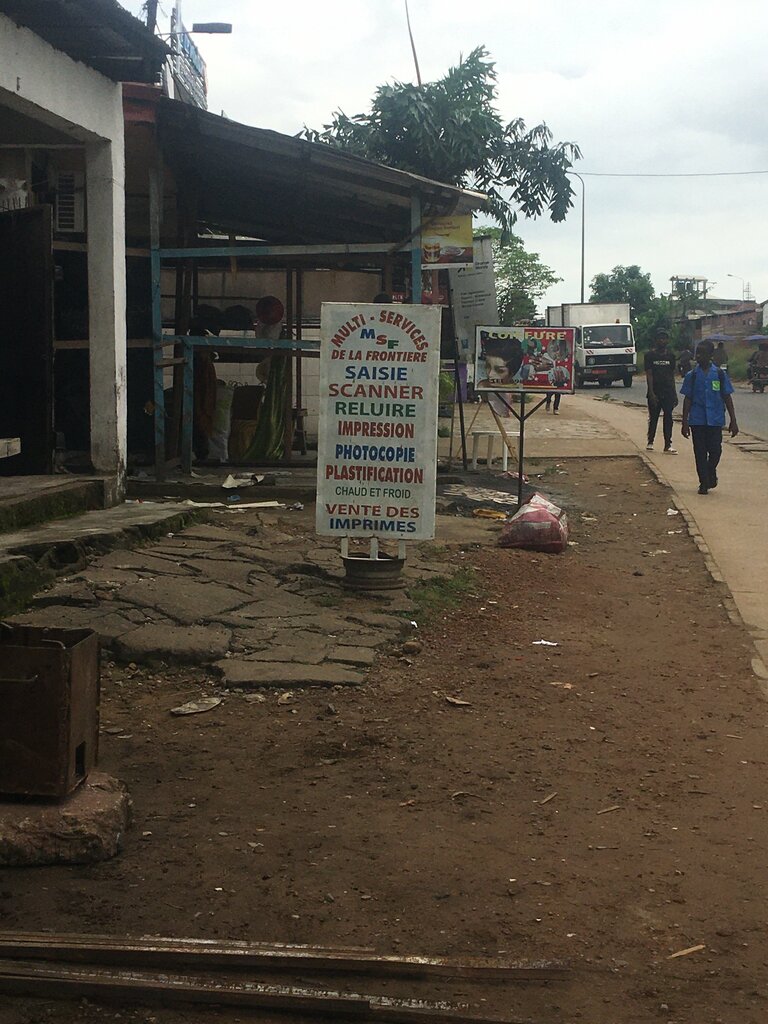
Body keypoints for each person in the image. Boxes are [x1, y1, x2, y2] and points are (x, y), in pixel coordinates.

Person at [680, 339, 739, 495]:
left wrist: (733, 420)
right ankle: (703, 483)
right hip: (697, 421)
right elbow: (688, 399)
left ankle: (710, 470)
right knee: (699, 453)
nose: (698, 356)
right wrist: (684, 422)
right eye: (696, 353)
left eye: (702, 353)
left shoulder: (719, 374)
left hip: (715, 420)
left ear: (710, 355)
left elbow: (727, 397)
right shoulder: (691, 376)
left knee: (715, 451)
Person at [644, 327, 678, 453]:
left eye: (664, 338)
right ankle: (650, 441)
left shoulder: (671, 356)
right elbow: (649, 374)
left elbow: (672, 375)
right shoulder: (650, 356)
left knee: (668, 417)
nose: (662, 341)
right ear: (656, 340)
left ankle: (667, 444)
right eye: (660, 338)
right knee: (654, 417)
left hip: (668, 391)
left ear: (667, 340)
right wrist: (651, 392)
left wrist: (674, 394)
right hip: (655, 391)